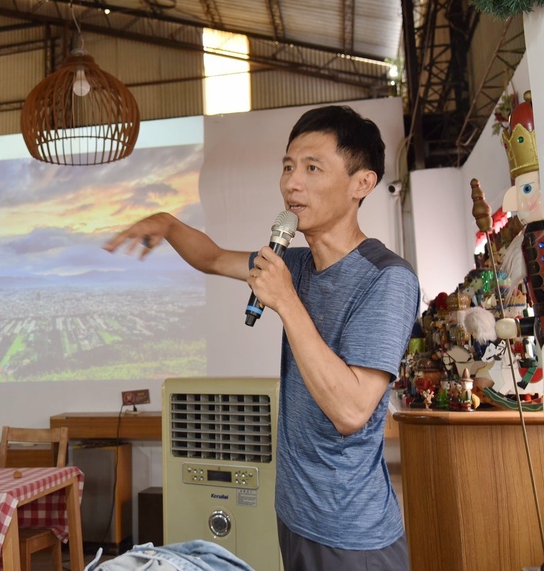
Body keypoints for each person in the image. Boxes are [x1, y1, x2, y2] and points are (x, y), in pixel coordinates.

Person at [104, 105, 420, 571]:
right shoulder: (291, 263)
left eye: (313, 168)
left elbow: (352, 410)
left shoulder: (387, 279)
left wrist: (288, 303)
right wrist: (169, 224)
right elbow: (212, 258)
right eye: (288, 166)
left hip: (350, 534)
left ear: (362, 184)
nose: (292, 183)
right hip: (292, 516)